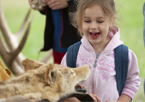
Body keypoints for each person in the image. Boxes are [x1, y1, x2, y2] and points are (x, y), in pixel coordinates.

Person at [61, 0, 141, 102]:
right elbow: (62, 85)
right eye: (87, 21)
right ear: (80, 21)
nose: (93, 26)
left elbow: (132, 82)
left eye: (99, 21)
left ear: (111, 20)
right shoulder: (73, 53)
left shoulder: (124, 55)